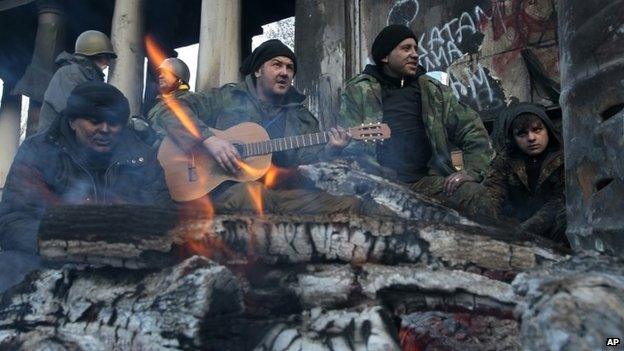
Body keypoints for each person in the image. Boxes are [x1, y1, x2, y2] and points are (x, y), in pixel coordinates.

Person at [150, 41, 387, 216]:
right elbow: (168, 111)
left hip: (280, 195)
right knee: (251, 194)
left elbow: (308, 166)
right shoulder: (226, 97)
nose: (285, 72)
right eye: (277, 65)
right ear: (258, 70)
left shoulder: (301, 118)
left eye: (290, 67)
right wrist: (209, 140)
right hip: (224, 191)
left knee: (348, 204)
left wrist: (331, 151)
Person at [0, 81, 172, 292]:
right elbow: (14, 220)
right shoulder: (38, 151)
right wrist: (67, 245)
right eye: (94, 121)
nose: (105, 129)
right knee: (9, 267)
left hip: (122, 260)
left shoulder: (140, 155)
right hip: (55, 257)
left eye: (114, 123)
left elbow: (162, 214)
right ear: (72, 121)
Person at [339, 25, 495, 212]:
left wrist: (473, 171)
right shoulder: (359, 91)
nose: (415, 54)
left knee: (477, 196)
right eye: (406, 49)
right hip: (379, 186)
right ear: (384, 56)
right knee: (374, 215)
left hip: (426, 181)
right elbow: (350, 146)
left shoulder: (431, 89)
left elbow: (471, 128)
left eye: (415, 49)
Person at [478, 103, 566, 241]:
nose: (531, 138)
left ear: (548, 130)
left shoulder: (565, 158)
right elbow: (492, 193)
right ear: (513, 138)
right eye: (522, 133)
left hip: (554, 228)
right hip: (516, 224)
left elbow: (560, 201)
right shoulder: (506, 159)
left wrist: (522, 231)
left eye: (537, 130)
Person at [38, 30, 117, 131]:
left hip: (73, 138)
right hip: (56, 140)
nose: (107, 63)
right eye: (102, 58)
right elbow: (76, 110)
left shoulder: (88, 77)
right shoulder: (70, 74)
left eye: (108, 58)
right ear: (90, 57)